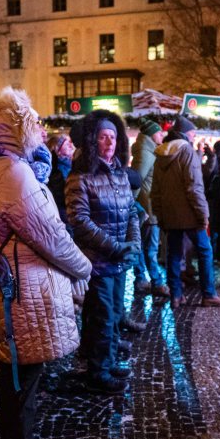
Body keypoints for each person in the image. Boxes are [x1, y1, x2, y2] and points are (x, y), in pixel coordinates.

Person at [0, 87, 92, 439]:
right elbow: (50, 235)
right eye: (34, 122)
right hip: (21, 292)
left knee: (20, 378)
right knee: (20, 381)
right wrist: (84, 267)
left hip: (17, 287)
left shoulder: (2, 166)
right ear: (16, 130)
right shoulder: (12, 173)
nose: (41, 128)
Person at [66, 110, 140, 395]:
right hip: (98, 262)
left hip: (119, 261)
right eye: (103, 137)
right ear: (92, 140)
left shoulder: (120, 173)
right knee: (102, 317)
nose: (109, 142)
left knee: (114, 314)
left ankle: (107, 362)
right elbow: (80, 221)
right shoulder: (81, 176)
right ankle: (98, 372)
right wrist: (116, 247)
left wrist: (133, 243)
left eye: (113, 137)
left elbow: (132, 212)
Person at [150, 116, 220, 309]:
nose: (194, 137)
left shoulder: (161, 154)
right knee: (205, 251)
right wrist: (203, 215)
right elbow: (194, 187)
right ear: (186, 134)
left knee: (173, 254)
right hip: (190, 215)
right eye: (193, 133)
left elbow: (155, 190)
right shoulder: (187, 151)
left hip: (170, 215)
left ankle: (176, 295)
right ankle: (208, 294)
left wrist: (160, 215)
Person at [129, 117, 169, 298]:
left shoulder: (149, 150)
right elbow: (136, 181)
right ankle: (155, 282)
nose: (161, 135)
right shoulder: (146, 152)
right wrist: (132, 205)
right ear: (152, 134)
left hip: (149, 205)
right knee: (150, 248)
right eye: (159, 132)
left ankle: (141, 279)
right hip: (148, 207)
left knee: (145, 246)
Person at [45, 134, 74, 224]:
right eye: (66, 143)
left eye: (70, 142)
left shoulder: (73, 164)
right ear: (57, 150)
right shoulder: (57, 171)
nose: (71, 145)